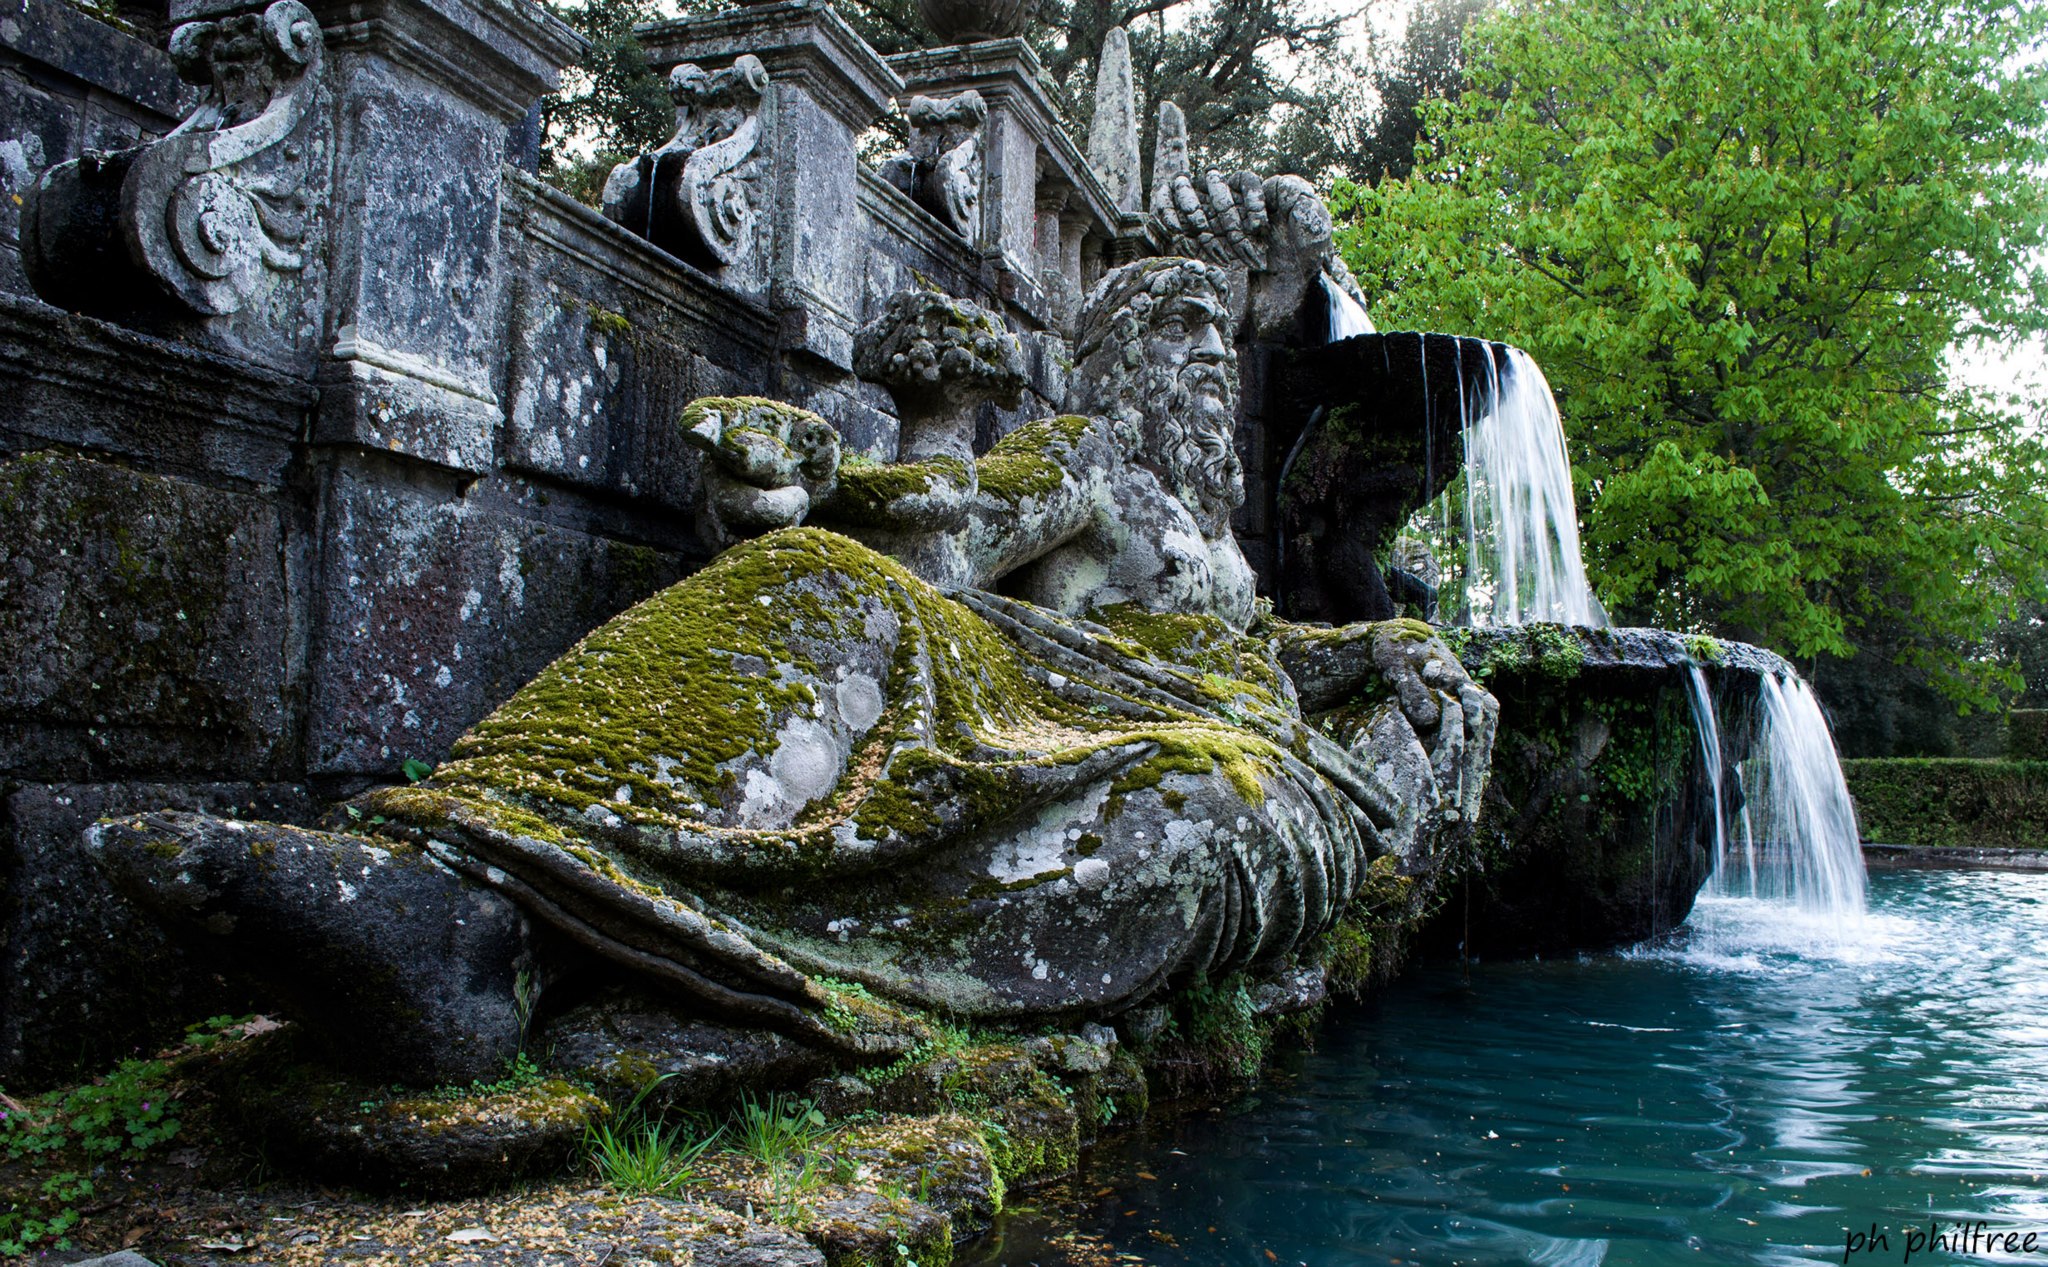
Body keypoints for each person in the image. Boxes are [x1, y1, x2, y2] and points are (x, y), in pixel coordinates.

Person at [352, 257, 1496, 1043]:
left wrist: (1380, 644)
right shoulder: (1088, 458)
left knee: (1185, 811)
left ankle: (655, 969)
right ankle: (465, 880)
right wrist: (826, 488)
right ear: (1122, 353)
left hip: (1219, 739)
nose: (1211, 365)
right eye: (1182, 335)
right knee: (817, 579)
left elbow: (1264, 651)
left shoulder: (1223, 545)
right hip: (1046, 689)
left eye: (1217, 342)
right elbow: (954, 532)